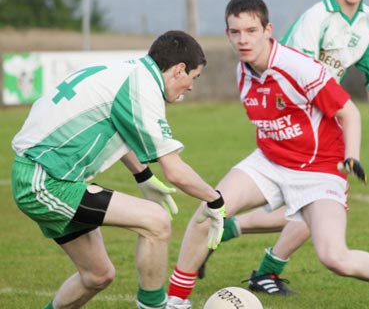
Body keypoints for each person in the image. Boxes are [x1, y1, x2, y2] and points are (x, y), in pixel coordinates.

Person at [165, 0, 369, 309]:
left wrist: (351, 156)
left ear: (268, 30)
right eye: (236, 32)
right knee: (208, 211)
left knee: (335, 257)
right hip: (269, 161)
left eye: (251, 30)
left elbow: (348, 112)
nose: (243, 39)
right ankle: (175, 301)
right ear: (227, 34)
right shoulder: (242, 70)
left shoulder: (298, 67)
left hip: (319, 169)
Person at [199, 0, 369, 293]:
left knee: (320, 209)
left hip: (330, 116)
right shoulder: (316, 19)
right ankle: (259, 263)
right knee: (320, 205)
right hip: (303, 119)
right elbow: (296, 78)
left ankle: (252, 254)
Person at [11, 30, 226, 309]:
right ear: (179, 69)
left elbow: (117, 129)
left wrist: (143, 175)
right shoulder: (142, 87)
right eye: (193, 78)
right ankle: (154, 306)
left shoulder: (127, 72)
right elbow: (174, 170)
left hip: (47, 176)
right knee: (156, 222)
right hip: (44, 182)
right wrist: (215, 200)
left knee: (97, 275)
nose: (191, 88)